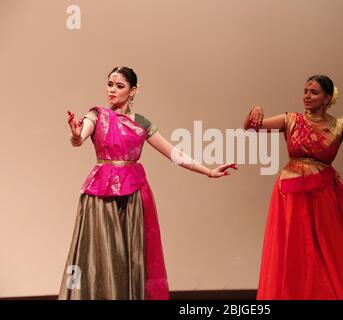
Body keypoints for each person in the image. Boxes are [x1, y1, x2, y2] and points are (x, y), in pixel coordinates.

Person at [59, 66, 237, 300]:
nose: (112, 90)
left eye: (119, 86)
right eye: (110, 84)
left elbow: (173, 153)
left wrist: (208, 171)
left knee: (129, 257)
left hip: (132, 197)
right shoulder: (97, 115)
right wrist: (75, 134)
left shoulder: (142, 123)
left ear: (133, 91)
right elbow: (80, 137)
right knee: (101, 253)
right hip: (101, 197)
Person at [244, 75, 343, 300]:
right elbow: (253, 127)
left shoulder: (339, 126)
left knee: (326, 250)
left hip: (324, 193)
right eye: (305, 91)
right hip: (291, 193)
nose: (307, 96)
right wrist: (256, 110)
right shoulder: (291, 119)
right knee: (296, 249)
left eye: (314, 92)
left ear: (327, 98)